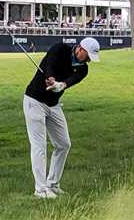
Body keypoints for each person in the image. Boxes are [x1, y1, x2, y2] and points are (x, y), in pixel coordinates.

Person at [23, 37, 101, 199]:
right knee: (39, 146)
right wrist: (51, 78)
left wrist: (61, 85)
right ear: (79, 49)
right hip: (34, 100)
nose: (88, 60)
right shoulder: (60, 49)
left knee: (64, 144)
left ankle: (53, 183)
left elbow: (71, 80)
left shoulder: (83, 69)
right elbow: (50, 64)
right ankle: (40, 189)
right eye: (87, 56)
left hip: (53, 105)